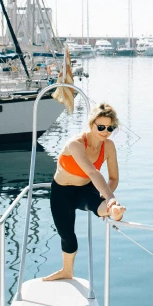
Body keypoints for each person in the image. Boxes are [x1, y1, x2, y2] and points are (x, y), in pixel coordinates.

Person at [43, 102, 126, 281]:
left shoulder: (109, 146)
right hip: (61, 193)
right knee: (67, 236)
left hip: (85, 190)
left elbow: (114, 178)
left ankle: (115, 212)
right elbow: (92, 171)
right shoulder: (75, 144)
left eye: (110, 128)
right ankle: (67, 270)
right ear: (91, 124)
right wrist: (110, 196)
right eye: (101, 127)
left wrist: (109, 198)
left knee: (101, 206)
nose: (105, 131)